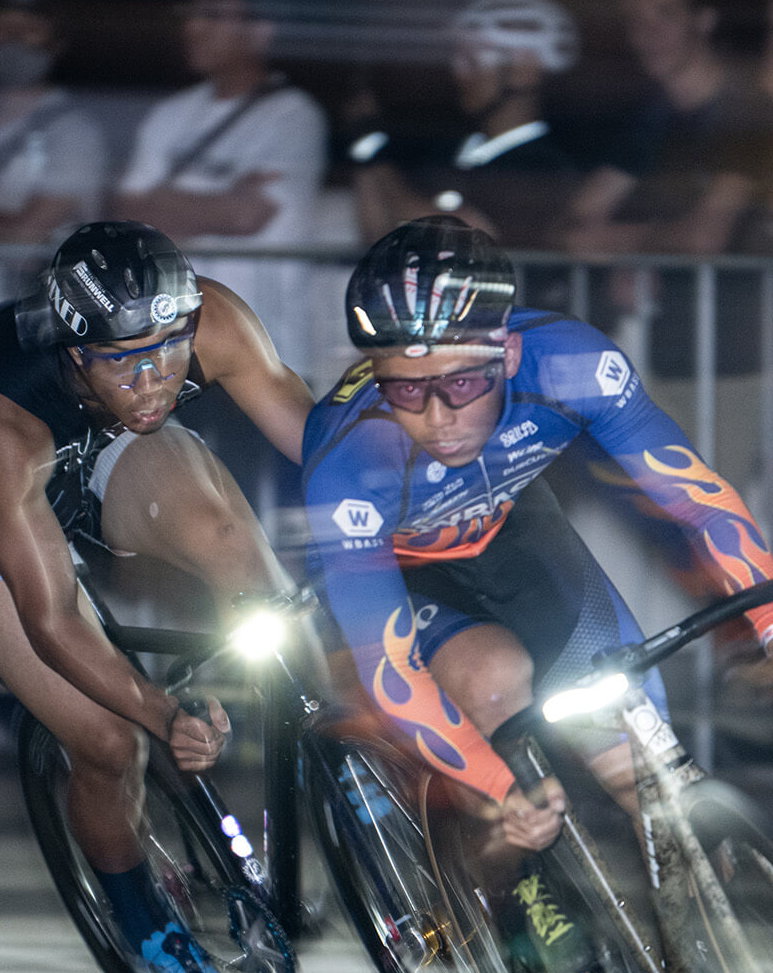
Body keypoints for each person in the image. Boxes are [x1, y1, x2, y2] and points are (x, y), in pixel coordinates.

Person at [302, 216, 773, 861]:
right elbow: (391, 666)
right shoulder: (347, 457)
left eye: (462, 384)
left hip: (516, 538)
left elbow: (700, 502)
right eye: (406, 389)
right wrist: (496, 787)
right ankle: (520, 915)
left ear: (511, 355)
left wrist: (768, 620)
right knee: (495, 696)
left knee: (650, 779)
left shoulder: (572, 364)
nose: (437, 419)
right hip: (410, 576)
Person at [0, 219, 312, 973]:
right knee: (108, 741)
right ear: (76, 351)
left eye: (169, 347)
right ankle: (142, 921)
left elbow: (321, 443)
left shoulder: (209, 322)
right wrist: (160, 713)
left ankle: (341, 771)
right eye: (127, 359)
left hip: (98, 445)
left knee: (239, 551)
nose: (157, 375)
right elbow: (50, 619)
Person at [561, 0, 773, 388]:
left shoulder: (748, 110)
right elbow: (572, 225)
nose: (647, 33)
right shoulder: (653, 120)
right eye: (635, 20)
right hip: (666, 361)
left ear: (704, 20)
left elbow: (704, 237)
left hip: (742, 367)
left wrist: (628, 247)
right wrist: (648, 244)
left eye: (665, 14)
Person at [115, 0, 328, 380]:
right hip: (168, 350)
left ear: (260, 31)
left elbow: (247, 216)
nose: (193, 28)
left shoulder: (292, 116)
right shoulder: (170, 114)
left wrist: (164, 204)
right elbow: (128, 217)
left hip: (264, 351)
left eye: (213, 16)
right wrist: (221, 202)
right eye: (192, 15)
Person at [346, 0, 581, 271]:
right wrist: (365, 144)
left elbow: (451, 236)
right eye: (458, 59)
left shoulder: (539, 166)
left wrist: (380, 159)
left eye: (473, 60)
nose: (459, 73)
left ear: (524, 71)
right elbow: (380, 233)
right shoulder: (450, 152)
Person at [0, 0, 105, 250]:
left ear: (56, 44)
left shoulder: (76, 132)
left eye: (30, 29)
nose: (13, 39)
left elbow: (24, 243)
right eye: (2, 26)